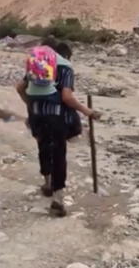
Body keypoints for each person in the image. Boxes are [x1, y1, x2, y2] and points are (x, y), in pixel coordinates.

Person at [15, 38, 100, 217]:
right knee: (58, 153)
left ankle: (47, 183)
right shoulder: (65, 66)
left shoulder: (37, 63)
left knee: (43, 146)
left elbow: (20, 87)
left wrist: (31, 105)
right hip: (55, 116)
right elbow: (67, 97)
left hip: (36, 114)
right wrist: (87, 111)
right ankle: (58, 199)